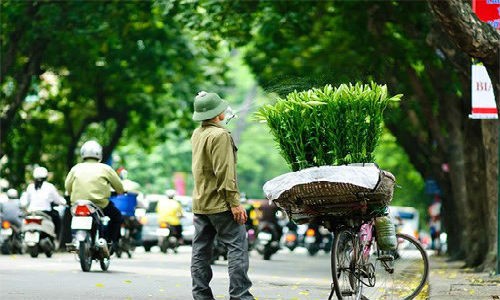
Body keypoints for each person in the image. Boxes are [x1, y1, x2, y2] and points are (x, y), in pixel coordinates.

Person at [190, 91, 254, 300]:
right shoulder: (221, 135)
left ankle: (201, 296)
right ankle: (240, 296)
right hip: (220, 204)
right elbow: (224, 172)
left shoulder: (197, 133)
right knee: (237, 248)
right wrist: (234, 203)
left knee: (200, 251)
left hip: (201, 203)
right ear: (218, 113)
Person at [64, 140, 125, 253]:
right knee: (117, 217)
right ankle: (111, 243)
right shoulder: (105, 168)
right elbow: (119, 187)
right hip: (100, 204)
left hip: (78, 204)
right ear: (99, 154)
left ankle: (73, 239)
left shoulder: (76, 168)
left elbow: (67, 187)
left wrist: (69, 193)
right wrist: (120, 191)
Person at [21, 167, 66, 236]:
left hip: (31, 213)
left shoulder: (30, 187)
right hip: (45, 213)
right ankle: (56, 238)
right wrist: (64, 202)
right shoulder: (50, 186)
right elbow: (58, 200)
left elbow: (24, 203)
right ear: (46, 177)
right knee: (57, 219)